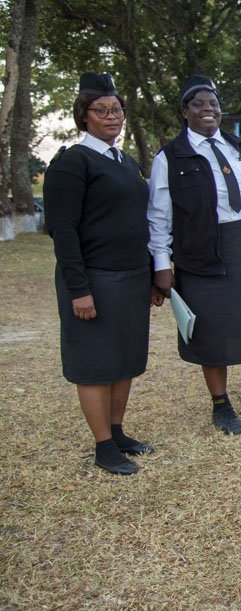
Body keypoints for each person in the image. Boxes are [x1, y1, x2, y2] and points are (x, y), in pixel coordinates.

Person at [148, 75, 241, 434]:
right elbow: (159, 218)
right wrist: (161, 265)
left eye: (214, 104)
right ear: (184, 111)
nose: (208, 109)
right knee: (211, 331)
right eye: (199, 104)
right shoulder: (170, 157)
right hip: (201, 256)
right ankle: (221, 405)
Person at [44, 72, 158, 475]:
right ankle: (103, 446)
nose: (112, 116)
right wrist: (79, 289)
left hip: (131, 278)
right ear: (84, 115)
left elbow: (140, 222)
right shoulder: (72, 162)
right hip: (94, 279)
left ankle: (117, 431)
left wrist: (150, 275)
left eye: (117, 109)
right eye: (101, 110)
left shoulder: (124, 162)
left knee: (124, 359)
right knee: (95, 363)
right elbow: (63, 230)